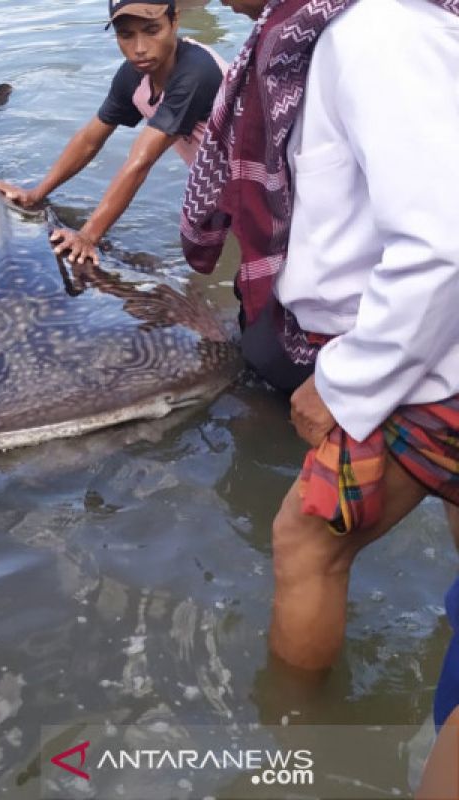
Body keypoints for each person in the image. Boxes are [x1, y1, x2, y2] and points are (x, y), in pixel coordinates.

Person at [182, 0, 459, 674]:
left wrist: (343, 386)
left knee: (306, 543)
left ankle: (298, 752)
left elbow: (442, 247)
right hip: (416, 346)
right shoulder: (321, 36)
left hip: (419, 364)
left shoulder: (377, 34)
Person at [0, 0, 225, 266]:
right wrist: (34, 195)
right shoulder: (135, 75)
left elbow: (141, 161)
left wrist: (88, 236)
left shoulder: (195, 73)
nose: (140, 48)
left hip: (262, 180)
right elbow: (90, 139)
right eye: (126, 35)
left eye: (152, 30)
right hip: (222, 183)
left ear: (175, 21)